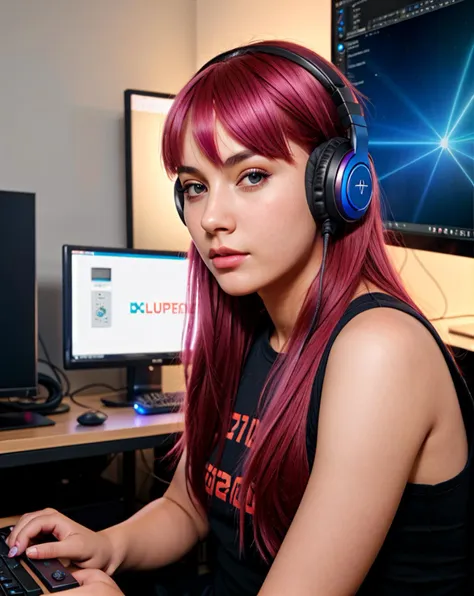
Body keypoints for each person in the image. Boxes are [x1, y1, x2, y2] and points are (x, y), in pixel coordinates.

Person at [7, 40, 474, 596]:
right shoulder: (247, 328)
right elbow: (188, 506)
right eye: (195, 188)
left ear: (338, 185)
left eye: (251, 176)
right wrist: (107, 546)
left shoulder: (380, 349)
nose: (212, 219)